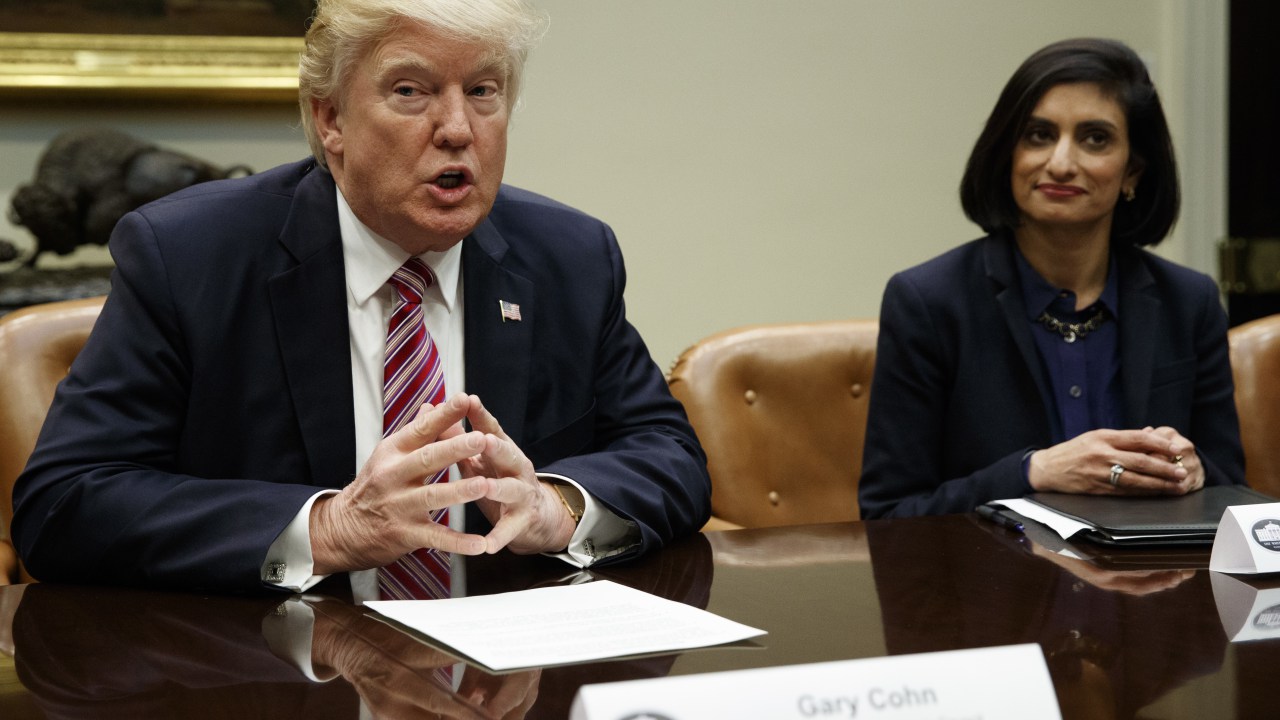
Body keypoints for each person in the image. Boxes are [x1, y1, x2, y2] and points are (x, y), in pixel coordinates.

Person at [11, 0, 711, 593]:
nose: (458, 129)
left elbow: (669, 455)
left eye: (484, 91)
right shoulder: (189, 255)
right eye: (411, 91)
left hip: (507, 681)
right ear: (330, 120)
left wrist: (558, 505)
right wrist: (326, 529)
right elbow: (63, 504)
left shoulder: (570, 257)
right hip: (276, 677)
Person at [858, 38, 1244, 519]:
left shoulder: (1191, 302)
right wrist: (1031, 473)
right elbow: (888, 515)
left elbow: (1230, 491)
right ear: (1008, 156)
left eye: (1095, 139)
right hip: (989, 589)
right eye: (1039, 135)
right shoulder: (927, 303)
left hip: (1152, 588)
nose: (1061, 162)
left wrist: (1194, 469)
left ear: (1133, 172)